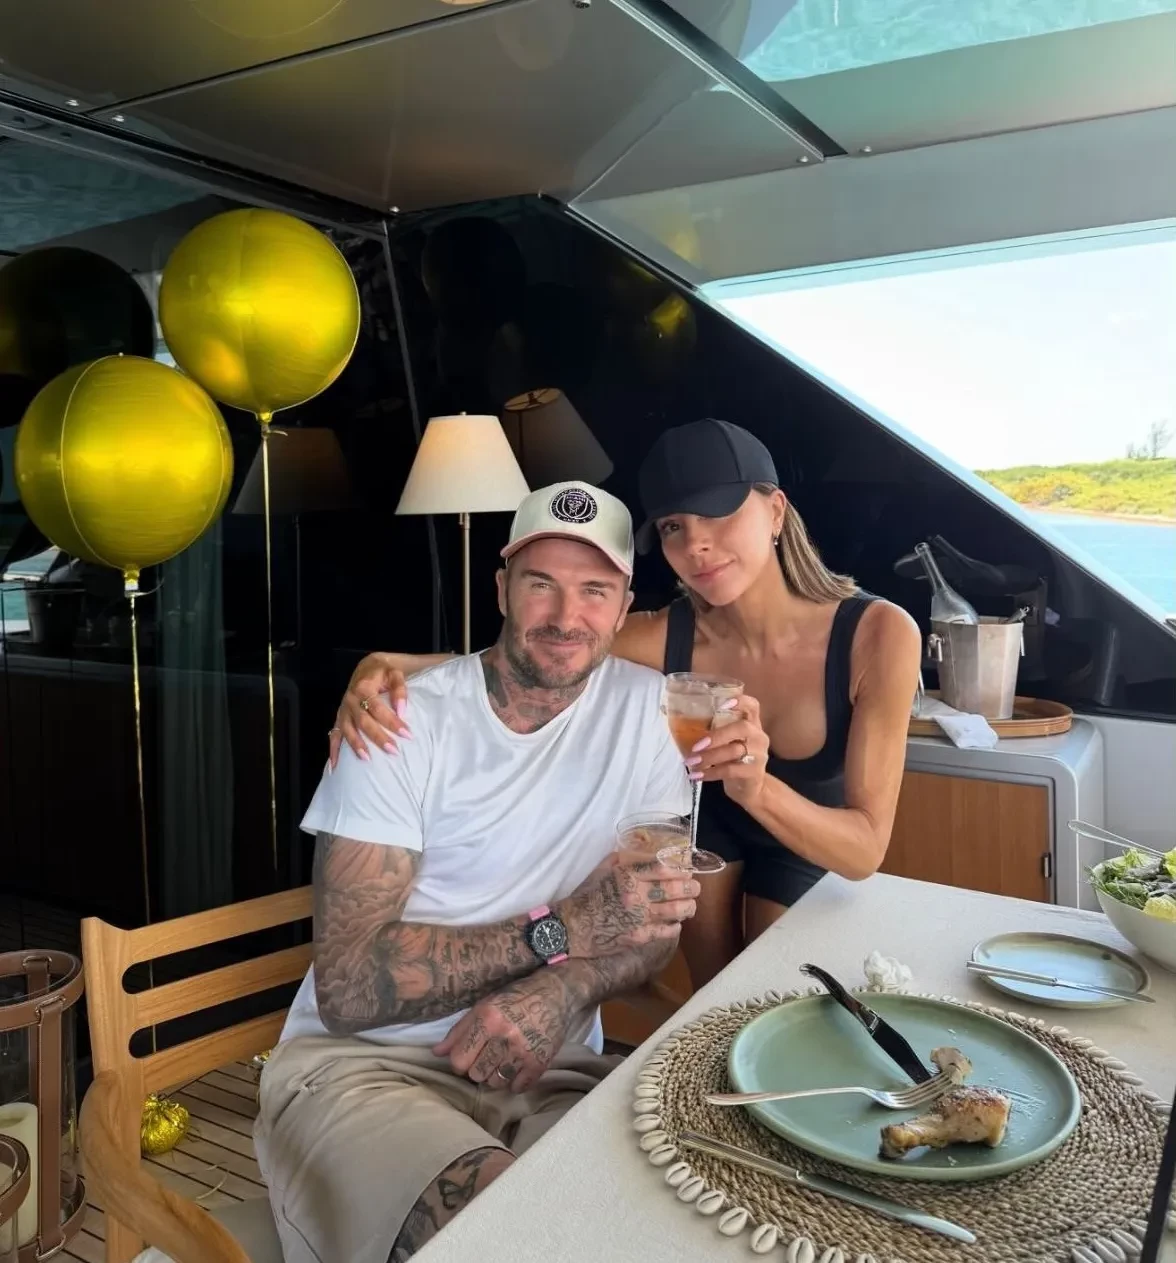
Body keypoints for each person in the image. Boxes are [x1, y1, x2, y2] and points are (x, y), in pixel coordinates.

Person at [256, 480, 697, 1263]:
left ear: (625, 607)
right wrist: (564, 929)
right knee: (505, 1241)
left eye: (594, 591)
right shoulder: (398, 718)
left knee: (657, 1227)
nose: (566, 616)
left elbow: (649, 925)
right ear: (501, 589)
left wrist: (564, 990)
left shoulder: (654, 714)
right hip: (365, 1068)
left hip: (553, 1063)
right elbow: (349, 988)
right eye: (541, 584)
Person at [331, 419, 922, 990]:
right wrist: (386, 666)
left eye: (718, 512)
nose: (696, 544)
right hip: (706, 830)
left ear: (775, 510)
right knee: (714, 1000)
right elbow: (539, 648)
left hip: (807, 835)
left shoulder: (877, 633)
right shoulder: (664, 634)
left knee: (778, 995)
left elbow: (864, 851)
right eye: (672, 527)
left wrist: (756, 787)